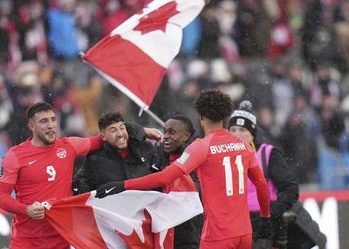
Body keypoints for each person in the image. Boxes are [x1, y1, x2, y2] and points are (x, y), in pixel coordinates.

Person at [96, 89, 272, 249]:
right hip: (244, 233)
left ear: (201, 116)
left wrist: (122, 185)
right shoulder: (243, 145)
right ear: (226, 116)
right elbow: (261, 184)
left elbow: (165, 177)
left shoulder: (201, 147)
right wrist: (266, 218)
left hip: (218, 236)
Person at [0, 102, 162, 248]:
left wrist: (143, 131)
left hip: (62, 237)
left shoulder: (68, 146)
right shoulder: (15, 156)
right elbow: (1, 197)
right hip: (27, 240)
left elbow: (107, 136)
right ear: (32, 126)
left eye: (53, 119)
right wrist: (26, 210)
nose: (51, 125)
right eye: (44, 121)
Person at [228, 100, 299, 249]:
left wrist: (272, 212)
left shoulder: (268, 153)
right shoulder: (223, 156)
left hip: (263, 225)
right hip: (234, 224)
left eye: (242, 130)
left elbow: (290, 188)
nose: (237, 134)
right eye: (233, 129)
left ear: (252, 133)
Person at [72, 112, 162, 194]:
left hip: (147, 208)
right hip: (116, 210)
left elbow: (161, 178)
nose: (120, 134)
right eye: (113, 130)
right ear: (103, 137)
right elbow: (82, 186)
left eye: (122, 128)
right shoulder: (95, 159)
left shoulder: (145, 148)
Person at [161, 115, 203, 249]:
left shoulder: (197, 160)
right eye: (164, 131)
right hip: (164, 231)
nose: (166, 136)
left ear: (186, 136)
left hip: (188, 234)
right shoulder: (158, 156)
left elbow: (196, 192)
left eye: (171, 132)